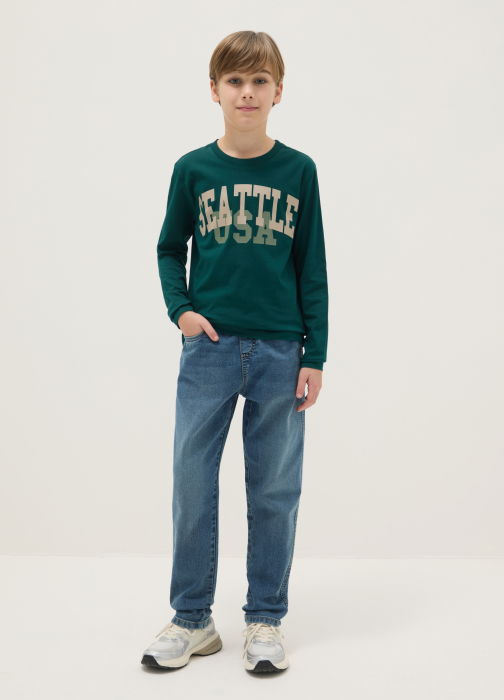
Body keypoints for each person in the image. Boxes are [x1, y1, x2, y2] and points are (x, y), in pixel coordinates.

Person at [141, 30, 329, 674]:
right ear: (215, 90)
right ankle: (192, 619)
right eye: (235, 81)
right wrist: (181, 311)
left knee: (274, 487)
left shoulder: (299, 170)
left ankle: (265, 618)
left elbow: (311, 266)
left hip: (281, 351)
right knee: (192, 481)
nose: (247, 92)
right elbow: (169, 248)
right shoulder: (193, 169)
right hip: (210, 349)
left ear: (279, 91)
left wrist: (315, 353)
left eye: (259, 81)